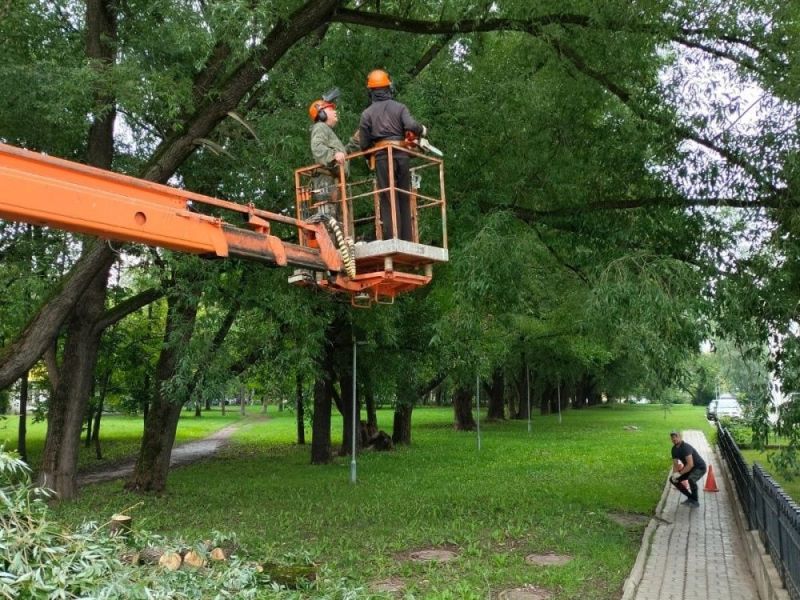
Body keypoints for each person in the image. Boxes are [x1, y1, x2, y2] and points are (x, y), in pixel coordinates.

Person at [358, 69, 426, 241]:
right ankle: (407, 239)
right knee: (403, 194)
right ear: (389, 88)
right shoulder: (400, 108)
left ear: (371, 91)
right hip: (402, 155)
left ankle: (392, 239)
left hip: (382, 157)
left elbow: (364, 144)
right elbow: (411, 125)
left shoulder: (367, 114)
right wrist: (422, 129)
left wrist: (369, 157)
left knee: (388, 197)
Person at [308, 89, 358, 220]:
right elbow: (317, 148)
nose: (335, 111)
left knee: (339, 224)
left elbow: (342, 153)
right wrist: (333, 155)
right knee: (329, 222)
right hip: (326, 183)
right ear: (322, 114)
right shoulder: (320, 127)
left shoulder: (327, 132)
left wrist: (356, 141)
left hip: (333, 182)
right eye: (331, 109)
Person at [669, 430, 707, 507]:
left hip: (700, 467)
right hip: (690, 469)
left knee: (691, 479)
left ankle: (695, 501)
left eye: (676, 437)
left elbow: (690, 464)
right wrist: (674, 474)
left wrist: (679, 473)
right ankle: (690, 498)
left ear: (680, 437)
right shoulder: (674, 449)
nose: (674, 439)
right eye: (672, 438)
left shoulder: (686, 447)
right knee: (673, 480)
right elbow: (675, 464)